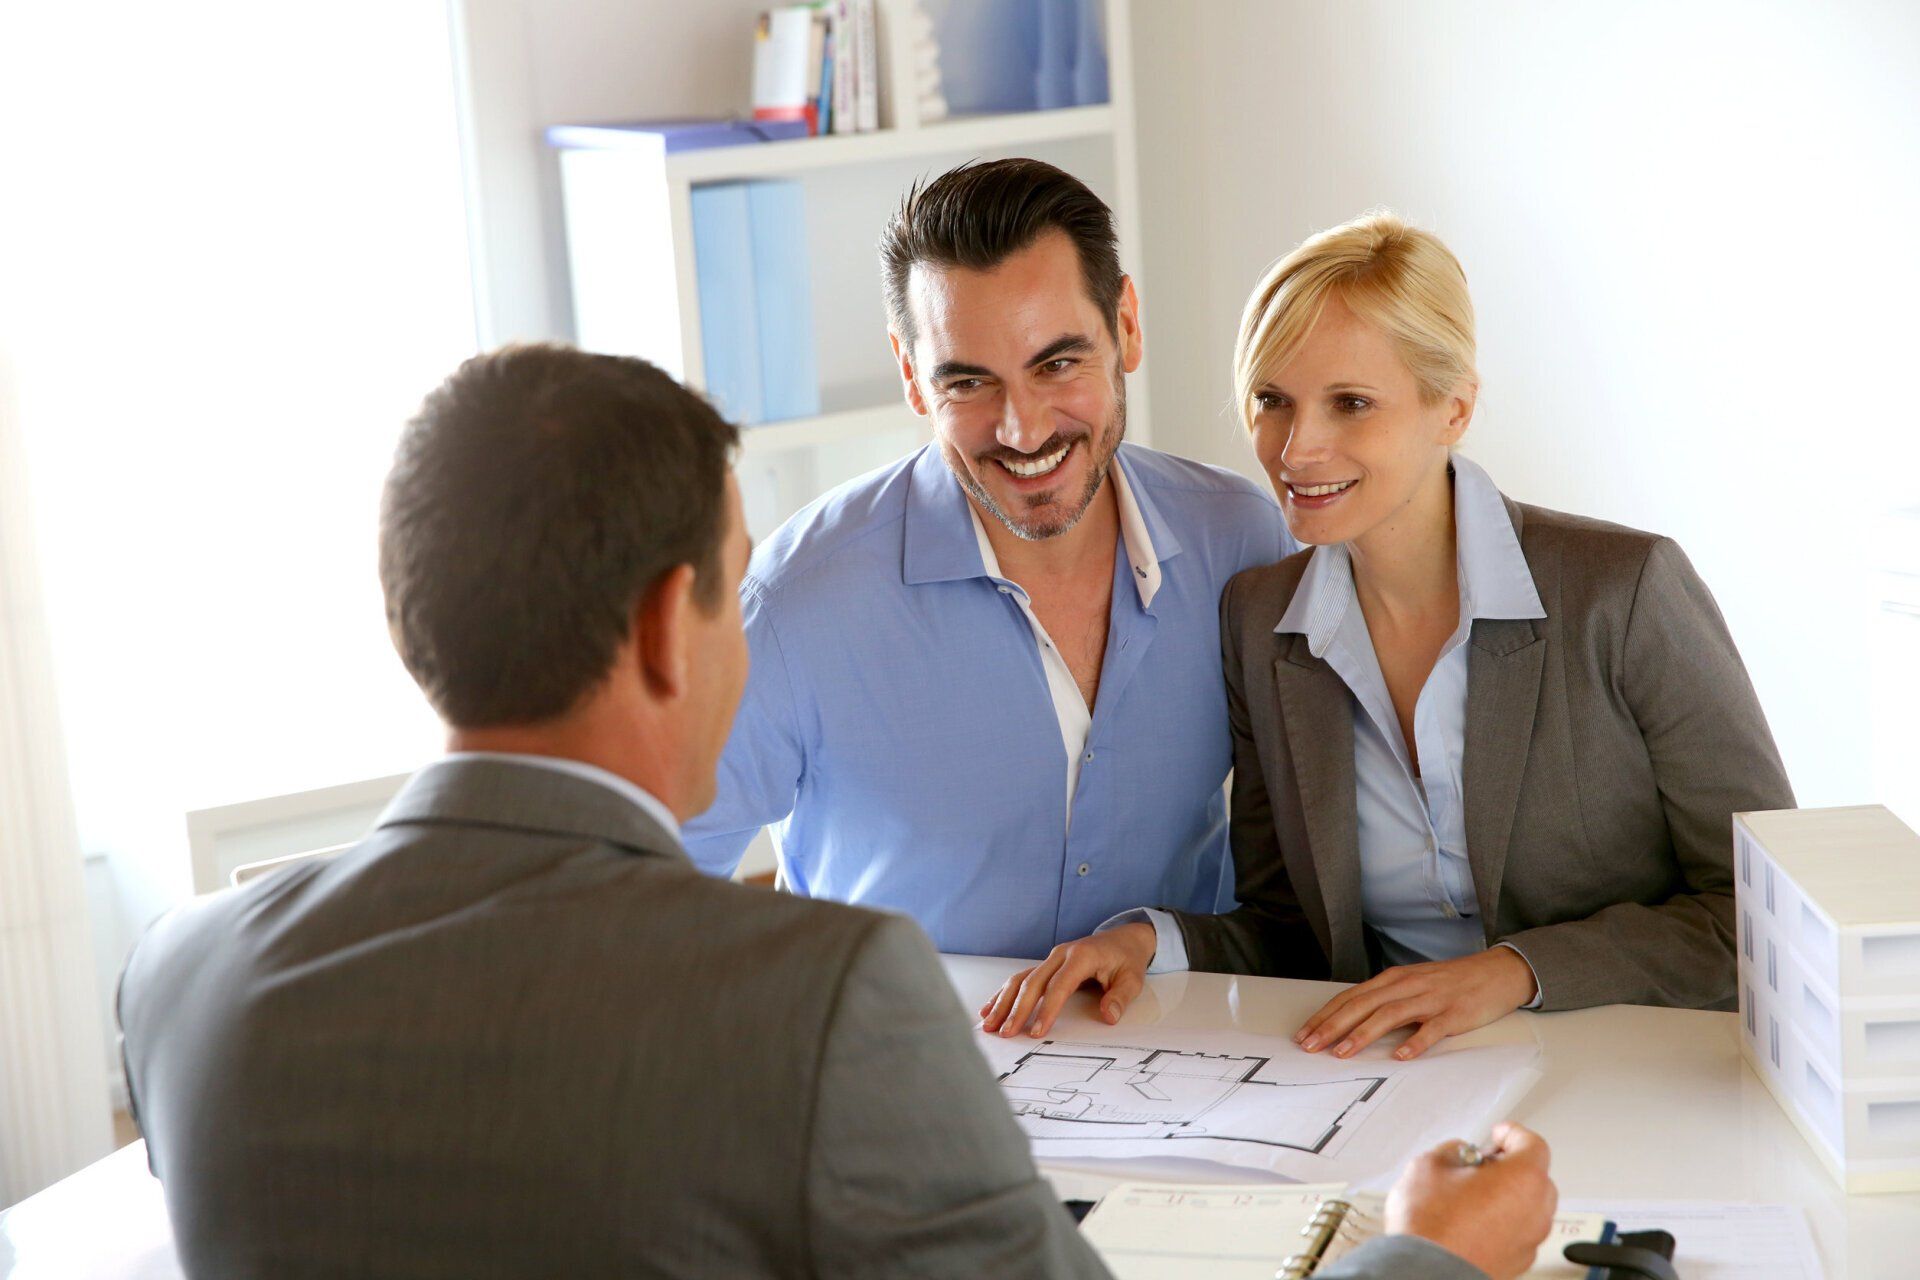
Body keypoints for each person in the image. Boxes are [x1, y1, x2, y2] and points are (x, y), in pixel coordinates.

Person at [115, 345, 1556, 1280]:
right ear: (673, 633)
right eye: (735, 588)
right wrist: (1429, 1258)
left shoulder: (183, 975)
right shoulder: (827, 1002)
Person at [983, 212, 1795, 1060]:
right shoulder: (1261, 623)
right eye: (1273, 401)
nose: (1298, 449)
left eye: (1352, 404)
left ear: (1454, 407)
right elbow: (1291, 931)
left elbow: (1764, 910)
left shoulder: (1624, 592)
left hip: (1637, 1075)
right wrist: (1148, 942)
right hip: (1394, 1081)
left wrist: (1516, 971)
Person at [680, 158, 1297, 960]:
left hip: (1194, 1061)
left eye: (1058, 363)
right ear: (911, 373)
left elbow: (1298, 871)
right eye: (968, 382)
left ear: (1127, 326)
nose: (1023, 429)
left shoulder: (1239, 544)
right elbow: (655, 900)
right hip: (898, 1072)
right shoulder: (796, 606)